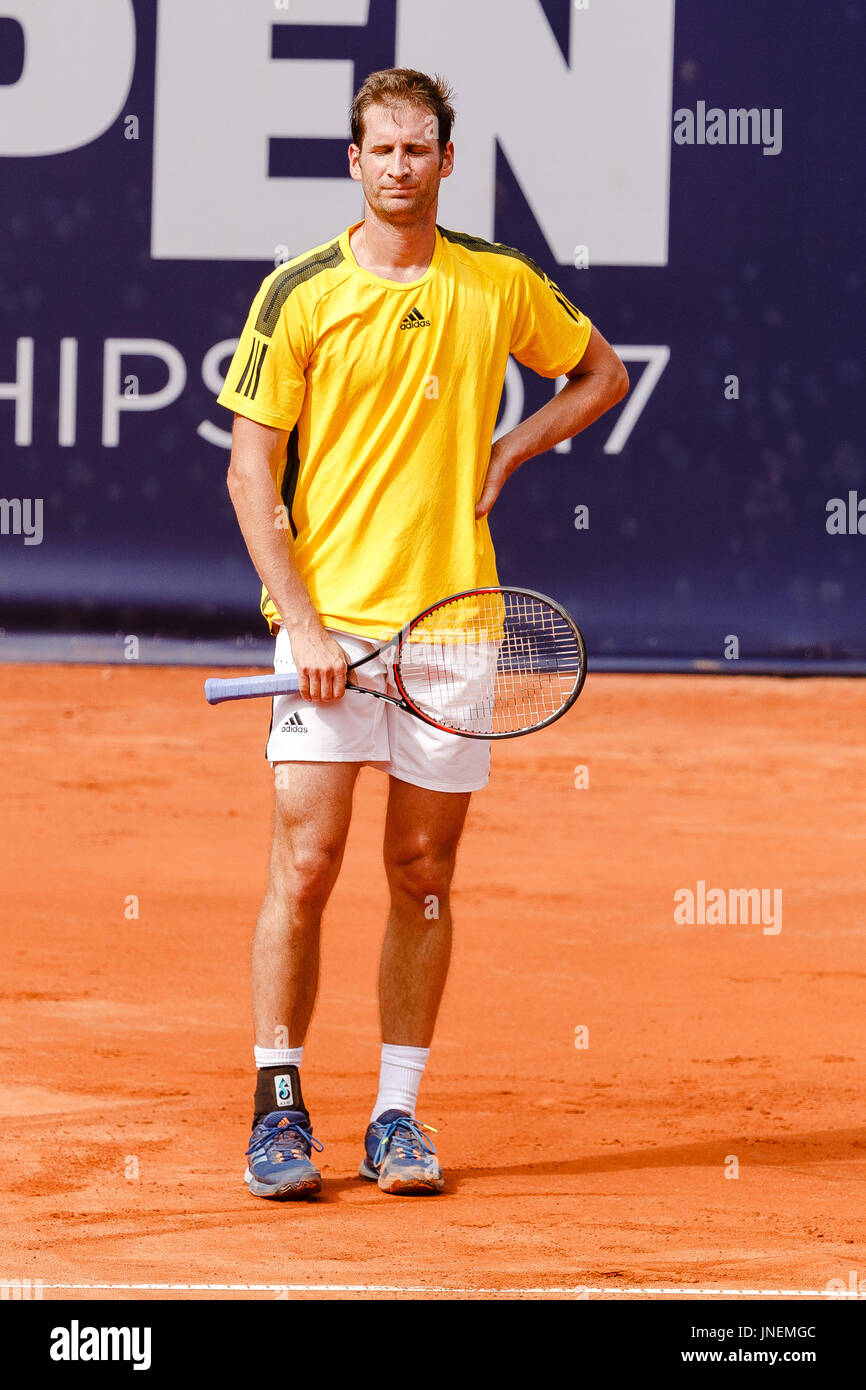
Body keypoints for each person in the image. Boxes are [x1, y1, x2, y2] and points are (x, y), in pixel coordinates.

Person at [216, 67, 628, 1199]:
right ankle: (278, 1107)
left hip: (453, 629)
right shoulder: (299, 291)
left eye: (418, 148)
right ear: (352, 163)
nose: (399, 165)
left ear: (447, 160)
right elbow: (252, 471)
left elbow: (598, 373)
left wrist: (509, 449)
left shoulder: (495, 284)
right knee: (304, 864)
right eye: (379, 149)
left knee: (423, 869)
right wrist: (297, 617)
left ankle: (396, 1114)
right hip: (332, 626)